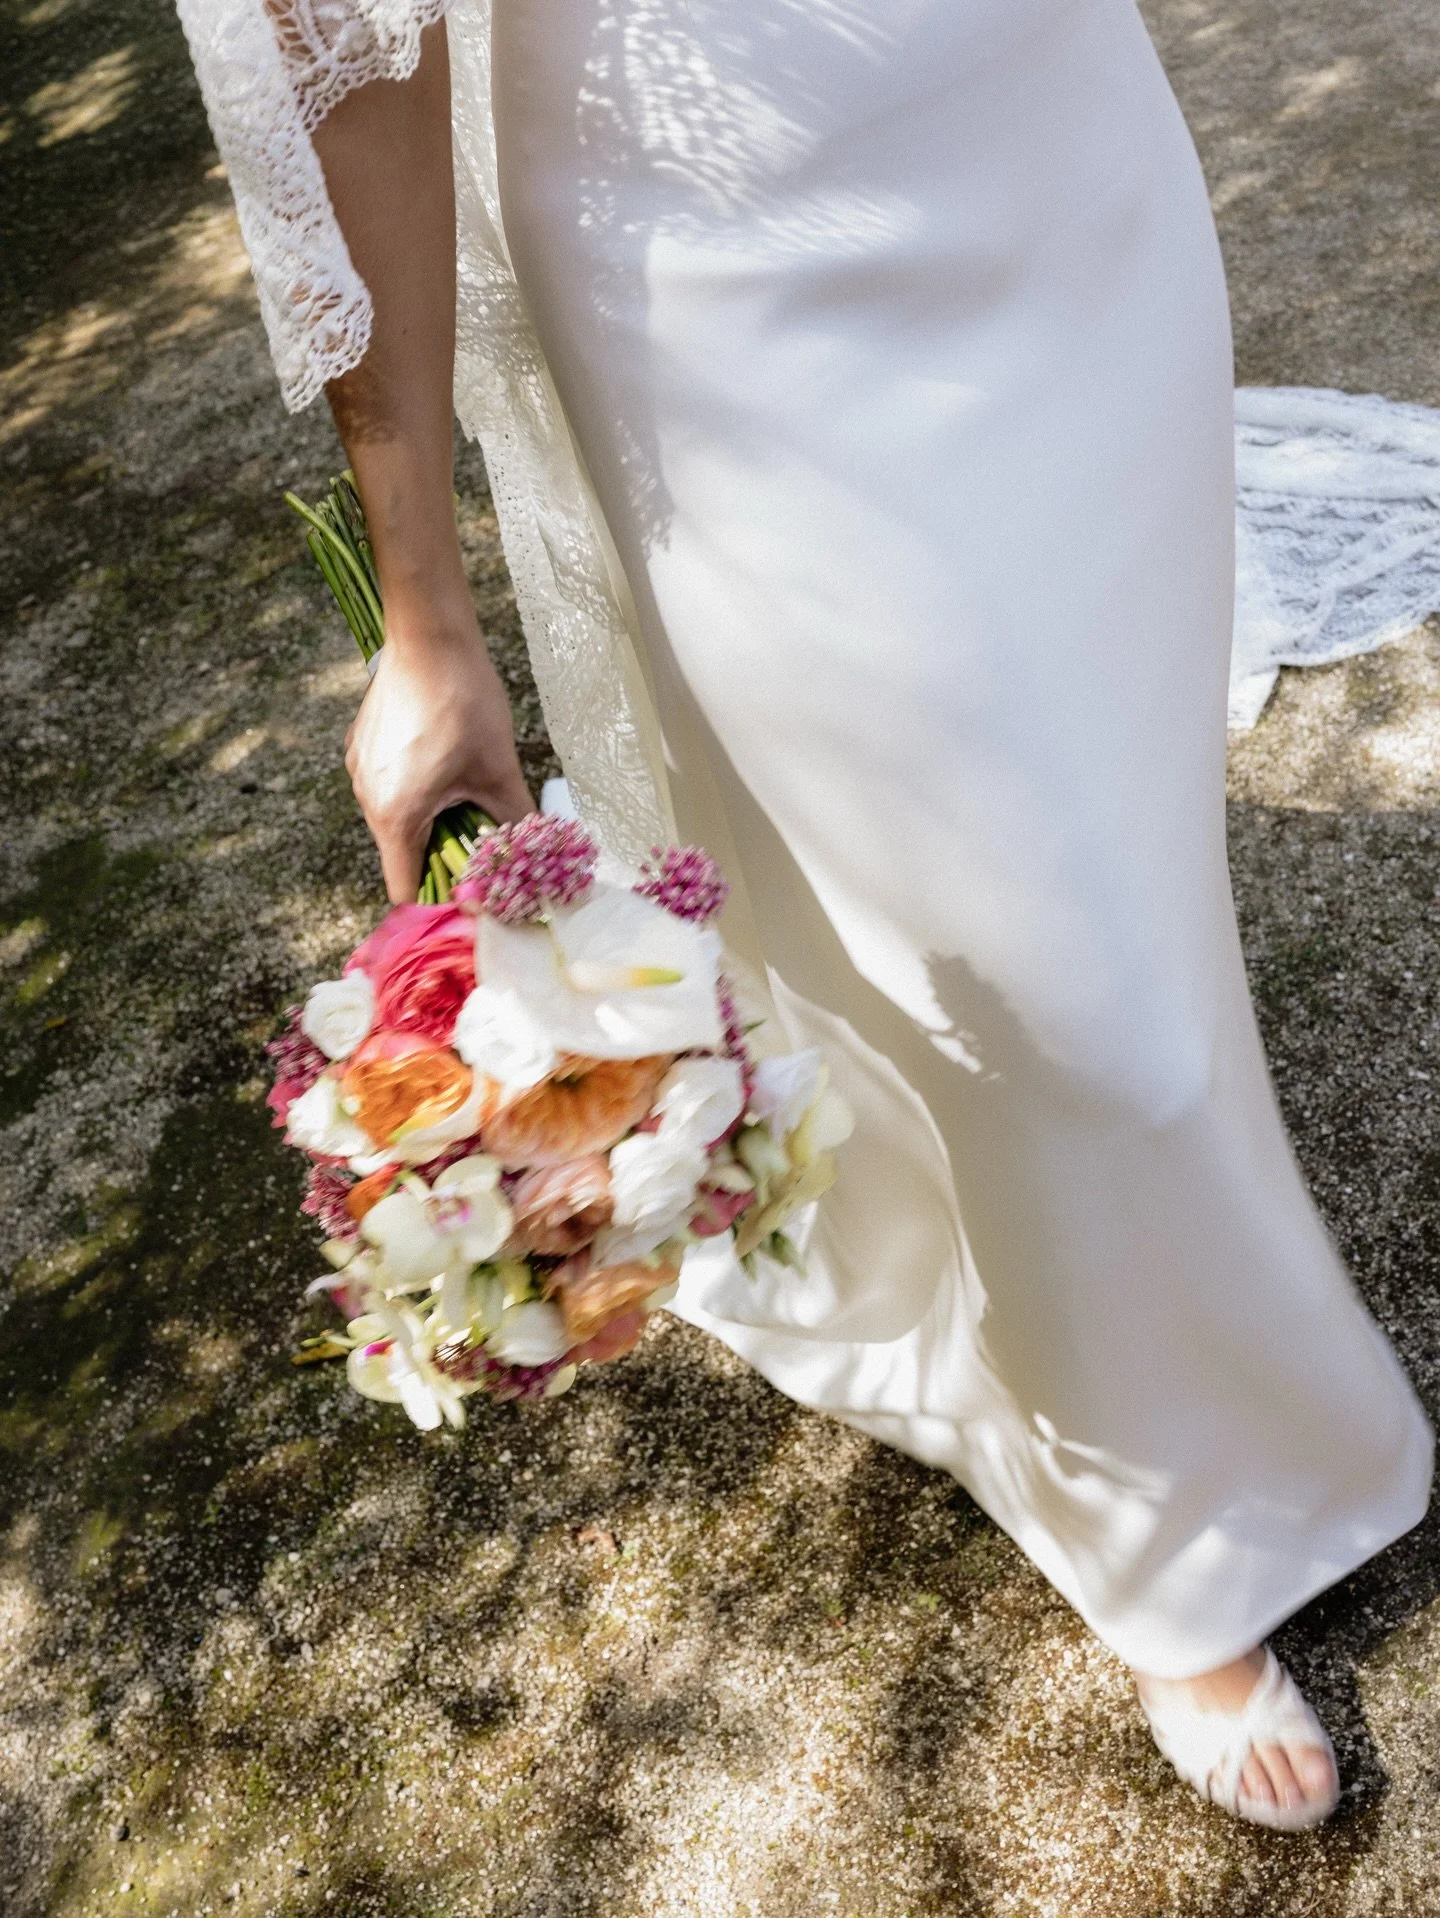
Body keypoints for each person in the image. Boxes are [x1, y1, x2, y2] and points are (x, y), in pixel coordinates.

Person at [179, 0, 1432, 1828]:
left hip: (1065, 142)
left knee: (1110, 840)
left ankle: (1062, 1295)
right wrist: (425, 607)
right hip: (734, 282)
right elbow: (343, 49)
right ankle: (1174, 1527)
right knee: (1062, 968)